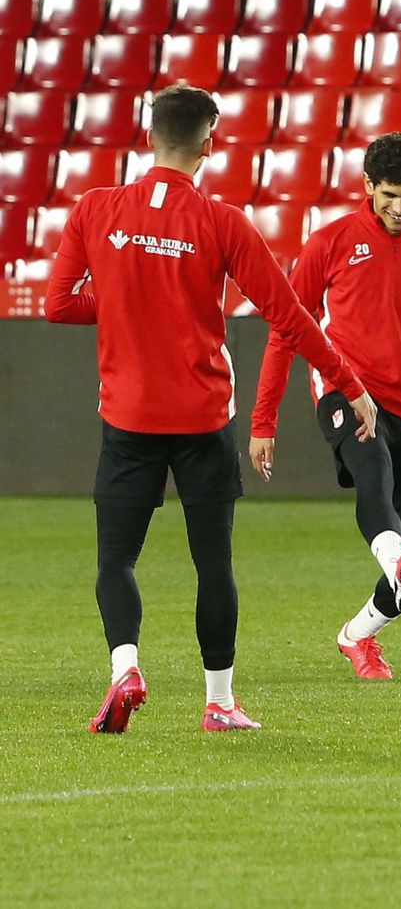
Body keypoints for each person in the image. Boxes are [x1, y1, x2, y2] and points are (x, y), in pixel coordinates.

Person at [45, 84, 378, 734]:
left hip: (128, 419)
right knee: (213, 563)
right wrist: (350, 382)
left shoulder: (94, 210)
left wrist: (118, 305)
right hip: (201, 422)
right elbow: (290, 315)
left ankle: (125, 670)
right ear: (210, 144)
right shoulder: (223, 223)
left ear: (148, 138)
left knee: (116, 560)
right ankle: (219, 702)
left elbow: (60, 305)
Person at [249, 133, 401, 681]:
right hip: (347, 392)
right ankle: (394, 560)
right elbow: (286, 329)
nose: (400, 207)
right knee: (373, 470)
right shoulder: (331, 242)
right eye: (389, 195)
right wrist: (263, 422)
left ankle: (358, 635)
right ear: (367, 186)